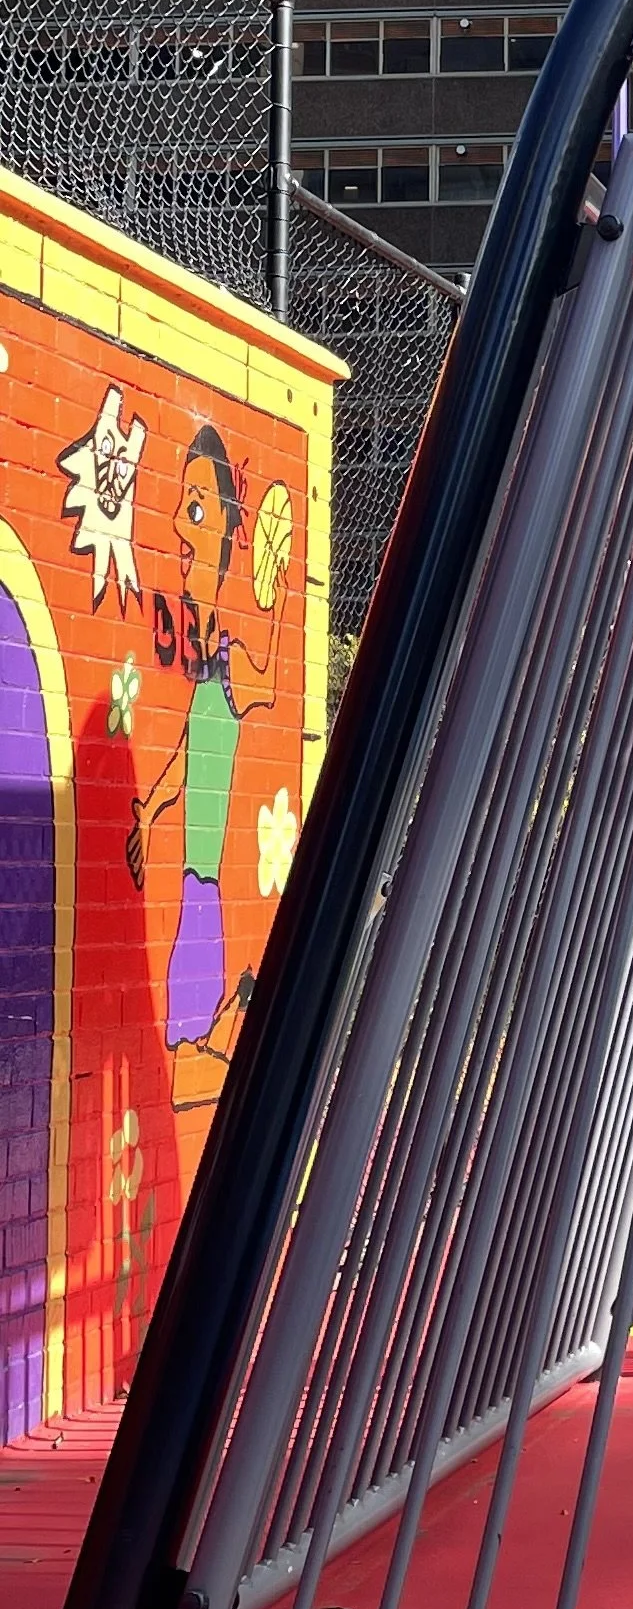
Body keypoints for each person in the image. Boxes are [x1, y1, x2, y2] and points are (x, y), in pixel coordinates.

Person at [127, 425, 282, 1141]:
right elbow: (183, 762)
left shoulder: (233, 660)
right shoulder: (206, 665)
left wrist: (273, 587)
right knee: (187, 1001)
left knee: (188, 999)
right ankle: (221, 1022)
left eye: (196, 510)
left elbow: (270, 680)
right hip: (194, 868)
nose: (177, 528)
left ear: (224, 529)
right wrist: (145, 816)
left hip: (205, 877)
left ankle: (219, 1027)